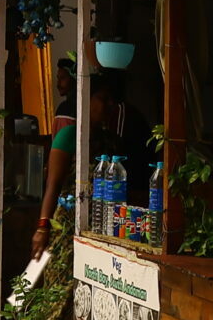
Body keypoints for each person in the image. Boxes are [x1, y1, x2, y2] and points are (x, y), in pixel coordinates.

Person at [34, 75, 157, 259]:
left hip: (102, 227)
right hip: (68, 225)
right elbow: (53, 185)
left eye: (112, 100)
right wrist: (43, 227)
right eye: (103, 99)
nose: (109, 105)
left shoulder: (112, 141)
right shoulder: (69, 135)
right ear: (86, 99)